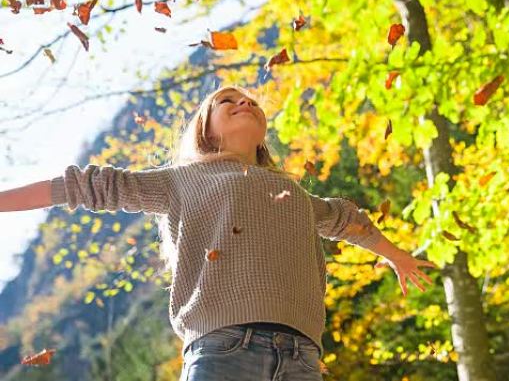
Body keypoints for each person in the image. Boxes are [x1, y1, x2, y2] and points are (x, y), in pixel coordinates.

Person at [0, 85, 437, 380]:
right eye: (228, 100)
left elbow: (347, 219)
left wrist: (395, 254)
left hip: (303, 357)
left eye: (251, 101)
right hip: (224, 348)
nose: (245, 102)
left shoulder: (293, 192)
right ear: (204, 128)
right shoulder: (177, 181)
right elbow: (85, 185)